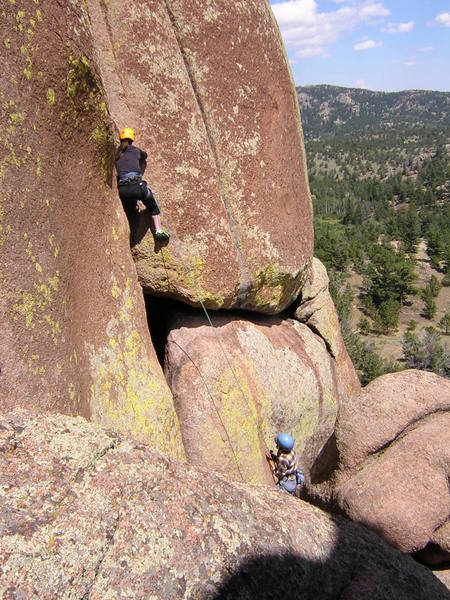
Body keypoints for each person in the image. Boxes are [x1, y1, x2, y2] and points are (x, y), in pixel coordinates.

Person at [115, 127, 170, 240]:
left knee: (130, 211)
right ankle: (158, 230)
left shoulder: (117, 155)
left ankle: (132, 233)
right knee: (152, 205)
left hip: (123, 191)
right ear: (132, 139)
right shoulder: (135, 151)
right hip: (137, 187)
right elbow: (145, 156)